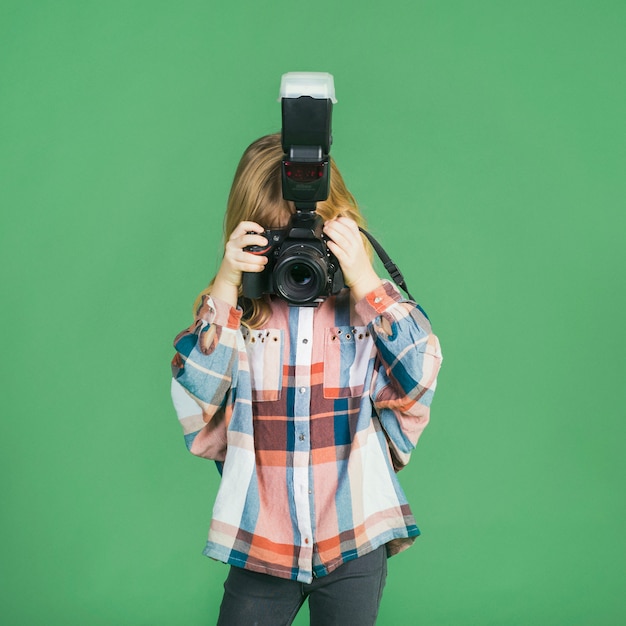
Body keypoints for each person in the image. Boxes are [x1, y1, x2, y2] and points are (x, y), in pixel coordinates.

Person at [170, 133, 442, 625]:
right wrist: (227, 286)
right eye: (275, 244)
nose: (294, 260)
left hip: (353, 535)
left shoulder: (362, 317)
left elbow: (419, 377)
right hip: (261, 541)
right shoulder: (237, 322)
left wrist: (365, 278)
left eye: (309, 243)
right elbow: (196, 406)